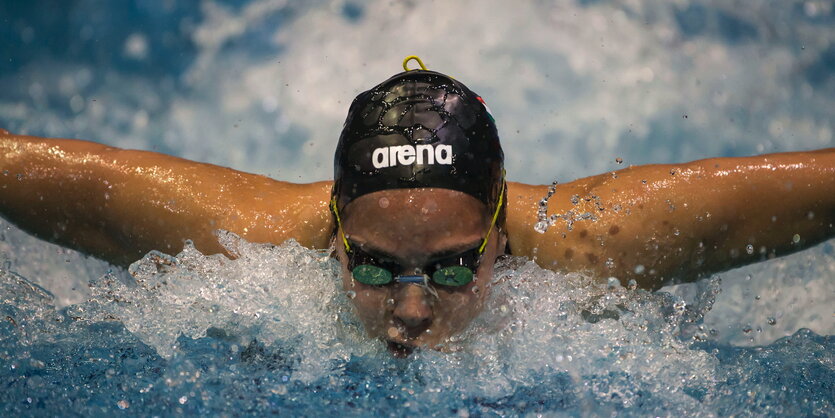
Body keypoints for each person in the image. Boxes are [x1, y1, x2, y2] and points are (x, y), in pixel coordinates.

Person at [1, 60, 834, 356]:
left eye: (452, 266)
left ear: (499, 228)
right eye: (369, 264)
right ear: (334, 227)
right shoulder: (246, 243)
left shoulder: (600, 238)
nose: (409, 309)